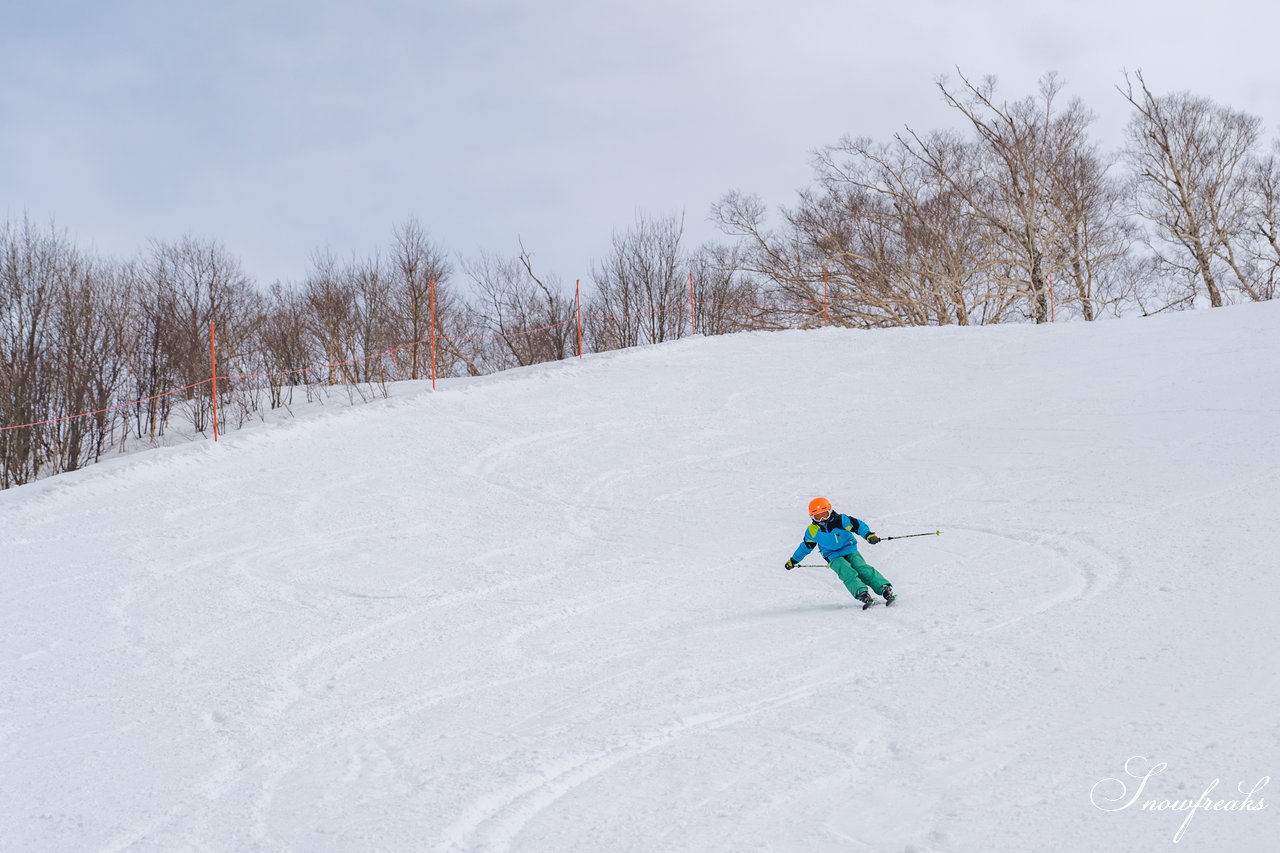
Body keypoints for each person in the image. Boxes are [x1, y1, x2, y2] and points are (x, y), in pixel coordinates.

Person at [784, 497, 895, 608]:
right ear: (812, 517)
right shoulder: (812, 531)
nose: (822, 519)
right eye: (817, 516)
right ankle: (861, 593)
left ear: (830, 511)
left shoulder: (841, 520)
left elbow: (858, 526)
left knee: (861, 567)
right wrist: (793, 560)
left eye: (825, 514)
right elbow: (805, 547)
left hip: (849, 548)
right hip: (831, 555)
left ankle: (884, 588)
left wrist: (869, 535)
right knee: (846, 571)